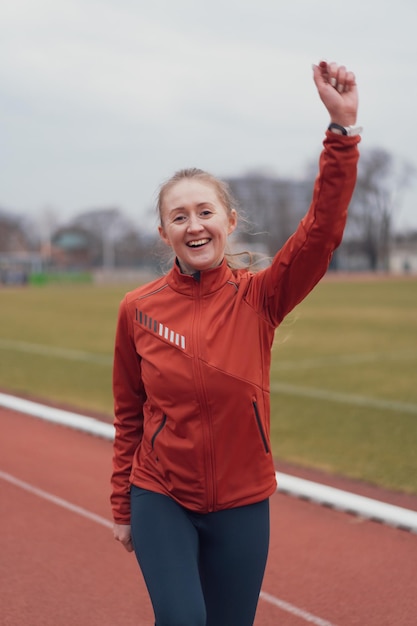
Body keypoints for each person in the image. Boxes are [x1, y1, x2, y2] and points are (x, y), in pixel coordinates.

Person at [111, 60, 361, 626]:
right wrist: (122, 503)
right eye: (179, 216)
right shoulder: (137, 310)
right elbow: (130, 414)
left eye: (205, 212)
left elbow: (321, 232)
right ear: (164, 232)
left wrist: (341, 132)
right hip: (161, 494)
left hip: (243, 502)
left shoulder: (262, 297)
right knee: (181, 620)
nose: (194, 225)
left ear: (228, 220)